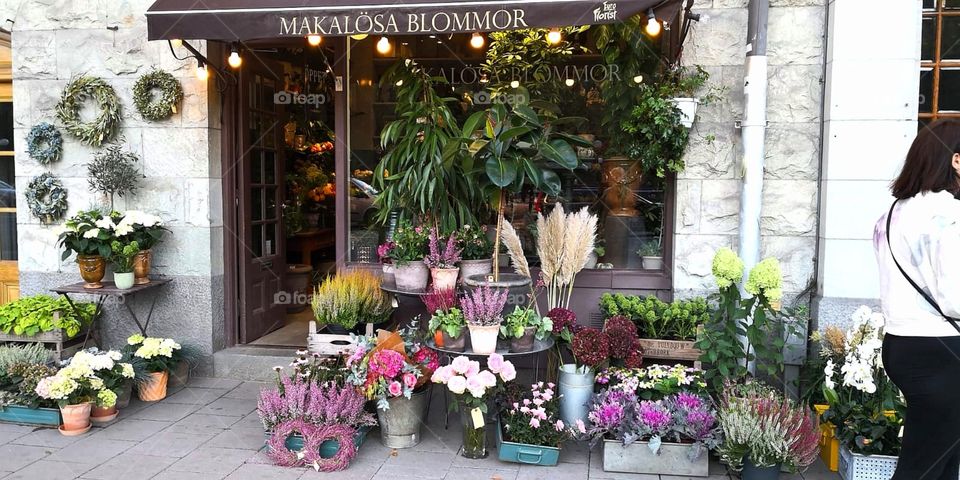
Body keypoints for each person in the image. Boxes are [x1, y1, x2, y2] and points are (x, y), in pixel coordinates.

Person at [875, 119, 960, 480]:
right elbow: (956, 297)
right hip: (942, 351)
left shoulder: (891, 214)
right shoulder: (950, 215)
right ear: (956, 161)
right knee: (926, 466)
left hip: (901, 344)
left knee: (938, 461)